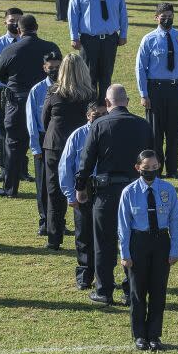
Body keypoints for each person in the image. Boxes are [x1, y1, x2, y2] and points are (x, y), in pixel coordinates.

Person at [75, 84, 154, 305]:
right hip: (136, 191)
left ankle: (105, 290)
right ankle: (131, 290)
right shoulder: (143, 125)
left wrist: (80, 187)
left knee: (104, 242)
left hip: (106, 192)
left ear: (108, 103)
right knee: (134, 240)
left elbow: (86, 160)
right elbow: (156, 159)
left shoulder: (99, 125)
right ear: (127, 101)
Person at [118, 149, 178, 352]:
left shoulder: (168, 190)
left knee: (158, 291)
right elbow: (124, 226)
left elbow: (175, 221)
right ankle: (139, 335)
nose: (151, 171)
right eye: (146, 168)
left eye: (155, 168)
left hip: (161, 241)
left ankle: (154, 335)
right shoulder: (129, 192)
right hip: (139, 241)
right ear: (138, 168)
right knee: (138, 292)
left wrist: (174, 249)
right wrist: (125, 254)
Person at [0, 15, 62, 198]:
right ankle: (51, 186)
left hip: (17, 102)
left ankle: (10, 188)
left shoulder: (10, 50)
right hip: (47, 101)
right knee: (47, 144)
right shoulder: (51, 48)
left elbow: (0, 76)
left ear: (18, 29)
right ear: (37, 27)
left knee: (14, 145)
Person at [136, 3, 178, 178]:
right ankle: (156, 168)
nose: (167, 19)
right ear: (156, 18)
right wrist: (143, 94)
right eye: (163, 16)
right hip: (155, 89)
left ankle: (173, 168)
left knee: (174, 131)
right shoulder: (148, 39)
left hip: (176, 88)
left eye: (170, 15)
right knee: (155, 133)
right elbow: (140, 68)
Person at [42, 54, 95, 249]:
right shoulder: (89, 94)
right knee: (82, 188)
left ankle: (54, 238)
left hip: (55, 144)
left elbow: (45, 118)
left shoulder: (54, 92)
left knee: (54, 191)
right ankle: (84, 234)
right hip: (83, 146)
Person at [68, 0, 128, 103]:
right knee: (89, 75)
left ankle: (105, 105)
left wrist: (123, 34)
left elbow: (122, 11)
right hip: (89, 40)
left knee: (106, 75)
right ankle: (90, 106)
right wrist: (74, 36)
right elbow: (73, 13)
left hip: (110, 38)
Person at [59, 101, 106, 289]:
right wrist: (70, 195)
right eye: (96, 116)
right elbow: (65, 166)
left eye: (104, 115)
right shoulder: (78, 136)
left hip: (105, 189)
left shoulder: (111, 133)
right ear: (88, 116)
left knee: (104, 235)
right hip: (84, 189)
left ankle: (103, 276)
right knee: (84, 234)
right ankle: (84, 276)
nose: (99, 119)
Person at [0, 8, 28, 183]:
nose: (14, 23)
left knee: (25, 130)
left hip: (24, 91)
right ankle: (4, 168)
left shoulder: (27, 44)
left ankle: (22, 169)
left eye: (18, 20)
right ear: (5, 22)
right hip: (3, 92)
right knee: (3, 132)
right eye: (11, 20)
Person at [26, 51, 63, 236]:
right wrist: (35, 148)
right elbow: (31, 120)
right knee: (43, 184)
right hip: (42, 139)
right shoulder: (37, 90)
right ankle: (44, 220)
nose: (54, 71)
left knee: (60, 182)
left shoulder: (66, 88)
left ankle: (59, 221)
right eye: (51, 68)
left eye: (57, 67)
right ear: (44, 68)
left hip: (59, 140)